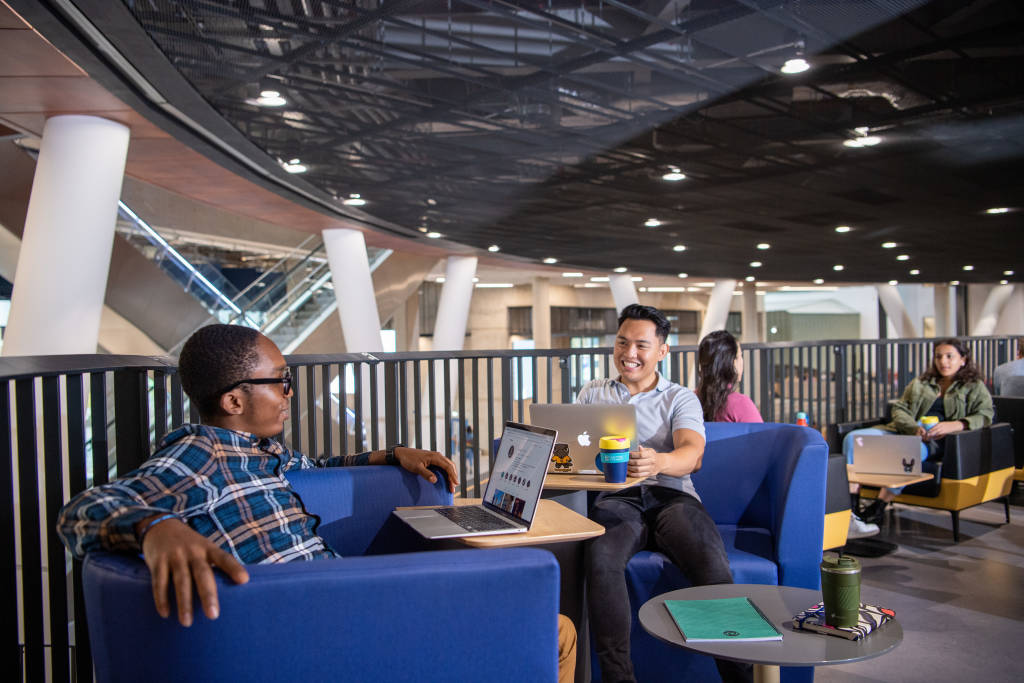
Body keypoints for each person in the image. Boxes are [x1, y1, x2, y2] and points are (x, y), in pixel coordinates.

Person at [57, 324, 576, 681]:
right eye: (280, 381)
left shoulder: (262, 452)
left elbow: (313, 468)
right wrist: (156, 528)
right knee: (551, 630)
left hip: (333, 607)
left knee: (546, 625)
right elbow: (83, 509)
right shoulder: (198, 455)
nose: (288, 393)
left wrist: (385, 455)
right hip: (314, 630)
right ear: (234, 400)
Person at [578, 304, 749, 683]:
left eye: (641, 344)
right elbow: (573, 449)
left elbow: (692, 452)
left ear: (662, 351)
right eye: (622, 343)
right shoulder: (592, 393)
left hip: (672, 497)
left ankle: (740, 677)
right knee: (602, 561)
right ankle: (618, 678)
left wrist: (658, 462)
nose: (629, 353)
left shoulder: (679, 398)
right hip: (617, 500)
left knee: (711, 565)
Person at [843, 338, 993, 527]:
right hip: (906, 431)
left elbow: (986, 415)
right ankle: (852, 506)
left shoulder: (973, 386)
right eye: (939, 356)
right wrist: (913, 427)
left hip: (938, 441)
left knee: (907, 450)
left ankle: (880, 506)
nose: (943, 362)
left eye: (949, 356)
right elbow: (899, 409)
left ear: (963, 359)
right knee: (853, 439)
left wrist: (956, 424)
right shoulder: (921, 383)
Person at [695, 329, 763, 423]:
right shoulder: (740, 404)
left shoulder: (691, 400)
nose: (742, 361)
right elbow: (762, 437)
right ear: (731, 363)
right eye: (739, 356)